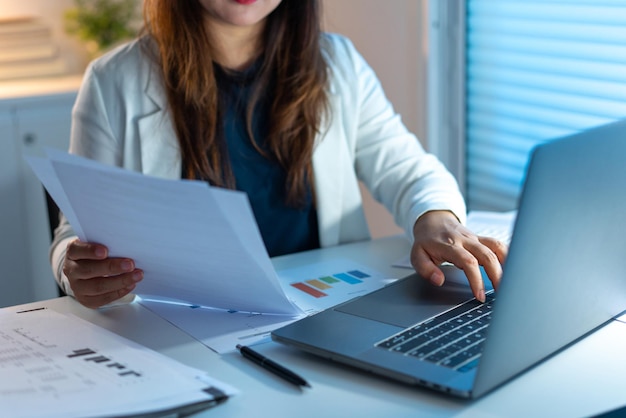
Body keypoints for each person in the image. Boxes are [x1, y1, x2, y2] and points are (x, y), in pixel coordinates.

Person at [50, 0, 507, 309]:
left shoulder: (338, 64)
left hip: (320, 310)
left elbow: (408, 169)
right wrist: (74, 267)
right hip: (187, 324)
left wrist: (437, 217)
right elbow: (76, 232)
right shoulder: (112, 82)